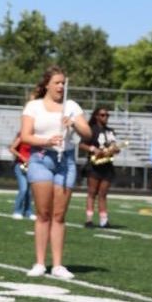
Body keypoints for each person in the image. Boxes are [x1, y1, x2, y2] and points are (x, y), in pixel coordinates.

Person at [20, 65, 92, 279]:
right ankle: (40, 263)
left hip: (66, 160)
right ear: (47, 85)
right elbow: (25, 136)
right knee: (43, 214)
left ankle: (58, 265)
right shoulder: (34, 106)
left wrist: (73, 124)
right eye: (57, 83)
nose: (61, 86)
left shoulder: (71, 106)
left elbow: (87, 133)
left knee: (59, 215)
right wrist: (46, 140)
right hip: (41, 159)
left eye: (63, 83)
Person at [78, 107, 121, 228]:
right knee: (92, 192)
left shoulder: (110, 131)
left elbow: (113, 145)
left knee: (103, 194)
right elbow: (81, 144)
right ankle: (89, 219)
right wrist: (93, 149)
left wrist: (115, 149)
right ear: (96, 116)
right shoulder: (91, 130)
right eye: (102, 115)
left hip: (107, 165)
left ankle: (104, 220)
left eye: (107, 115)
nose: (105, 117)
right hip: (94, 165)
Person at [8, 131, 35, 220]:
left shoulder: (35, 138)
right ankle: (17, 211)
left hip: (31, 166)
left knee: (29, 192)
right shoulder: (22, 136)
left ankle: (28, 212)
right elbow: (12, 148)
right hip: (20, 165)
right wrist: (21, 156)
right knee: (23, 189)